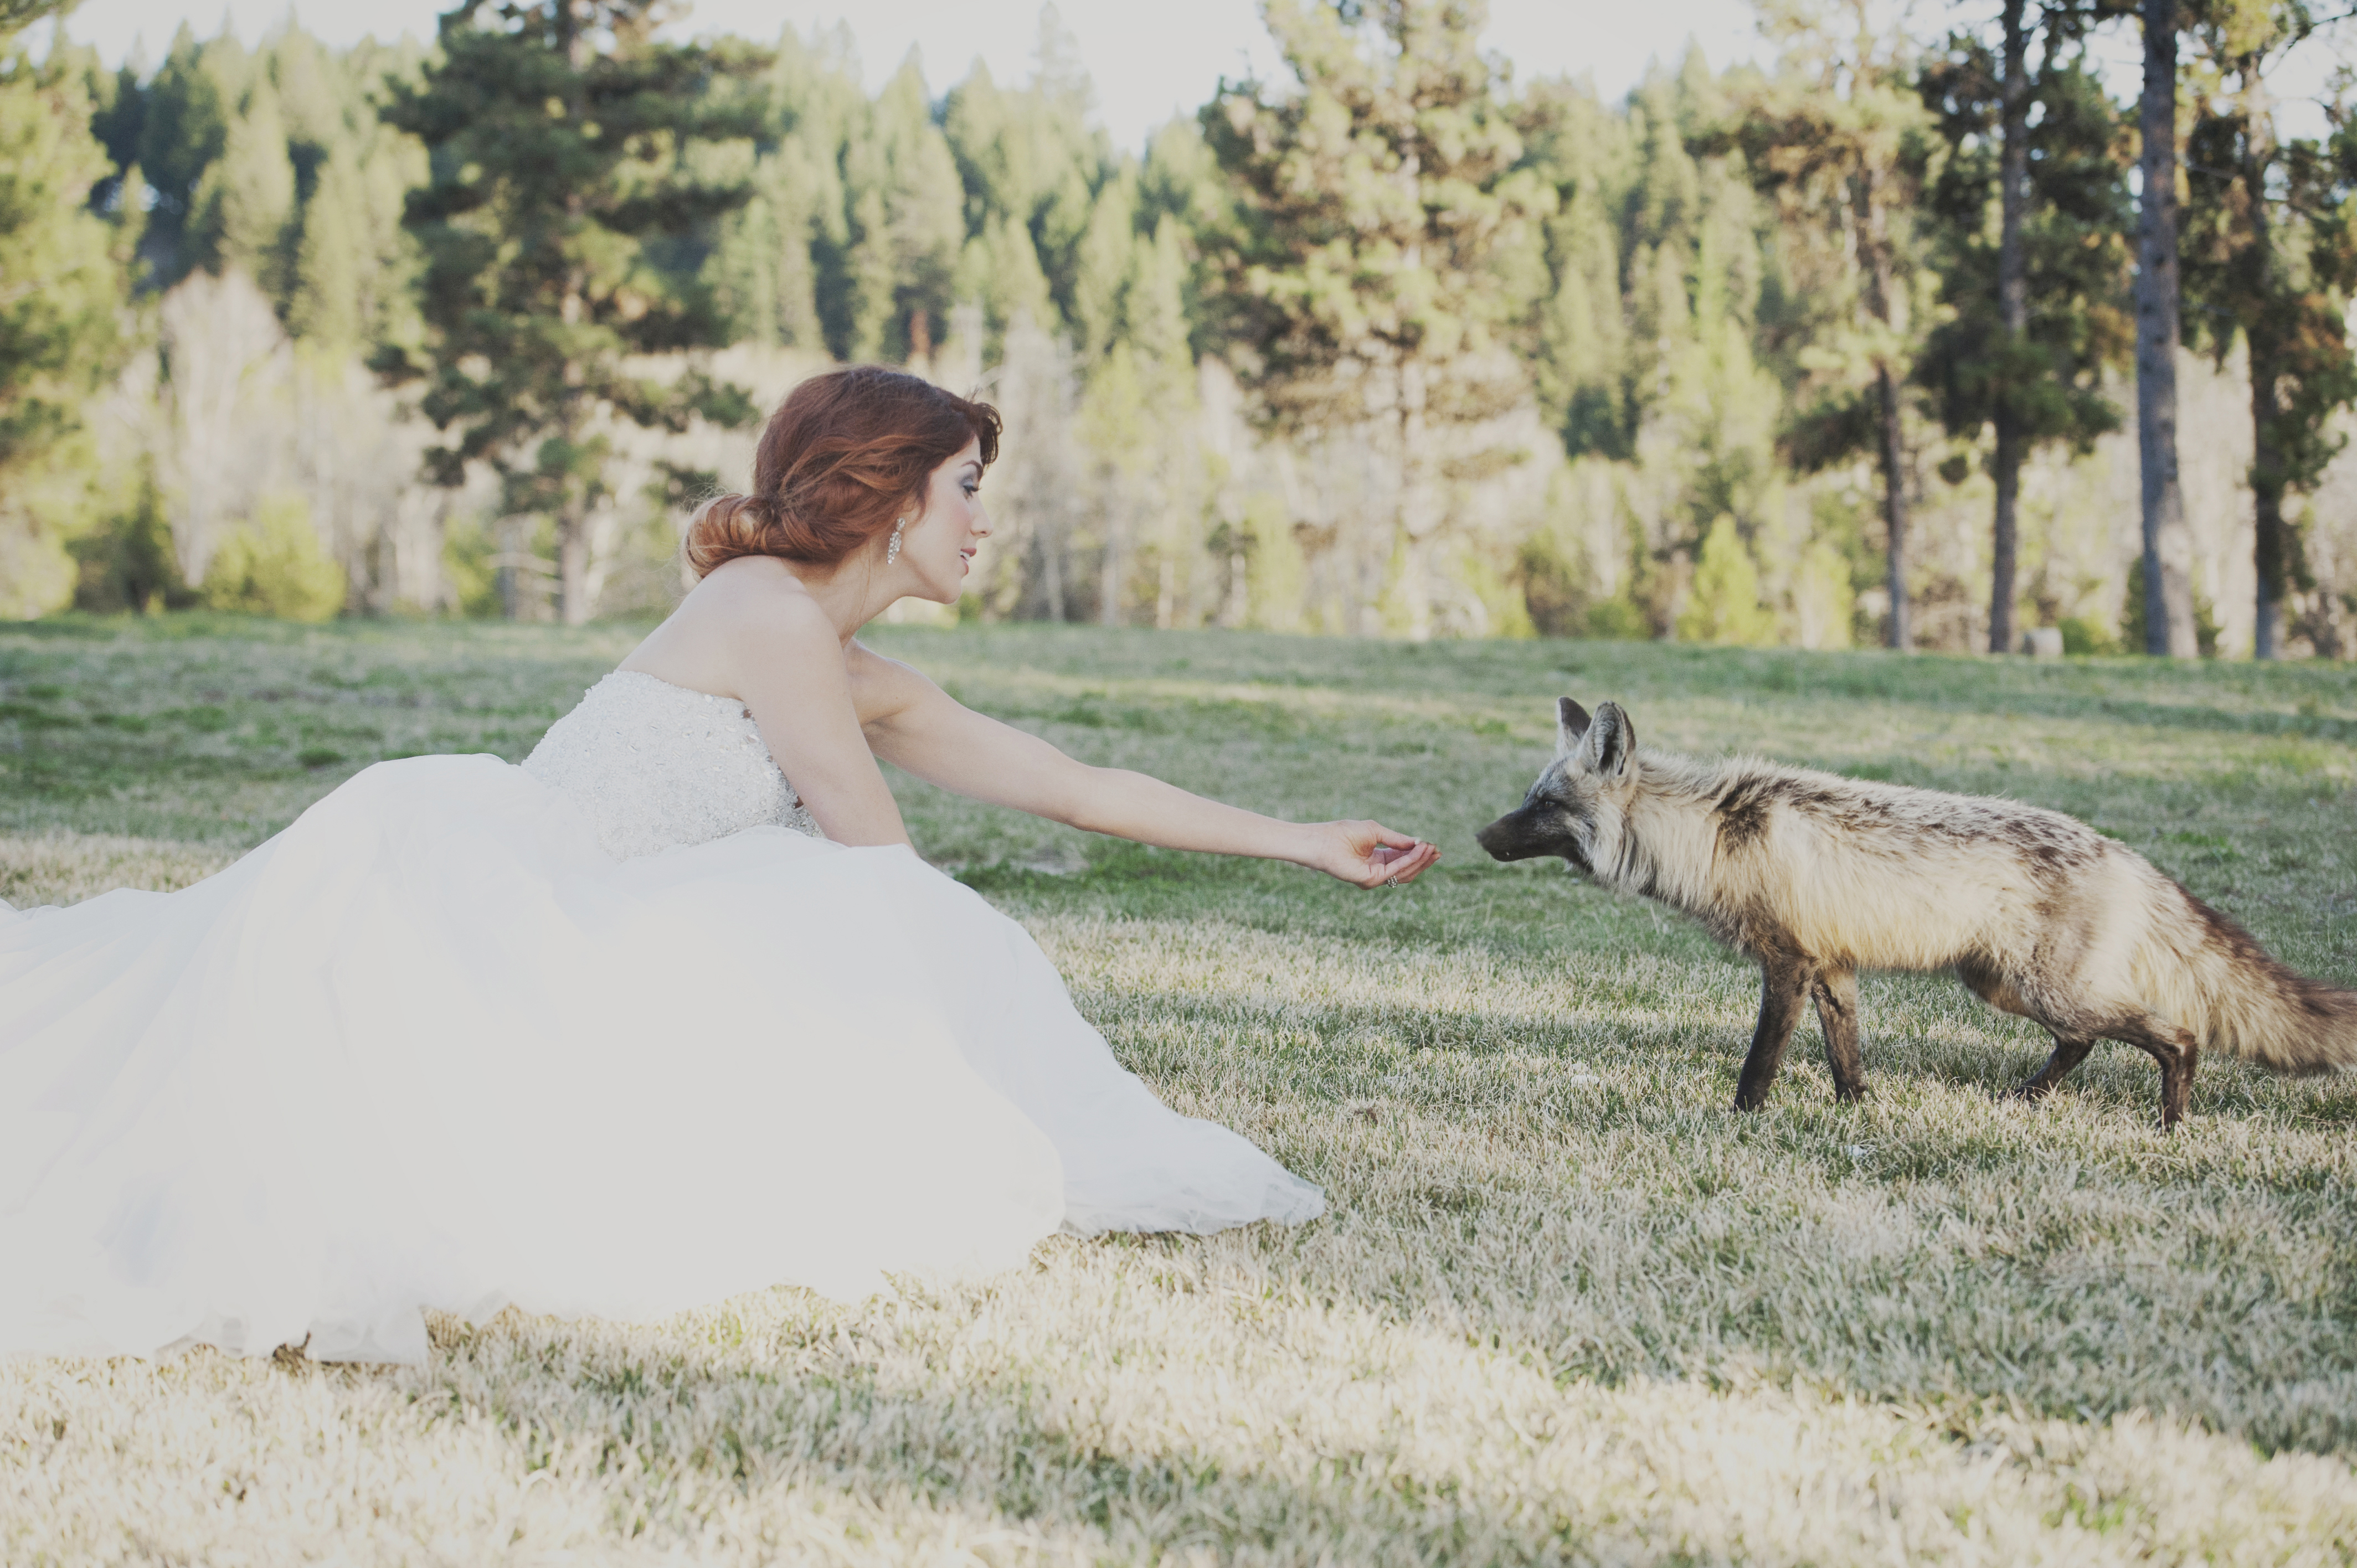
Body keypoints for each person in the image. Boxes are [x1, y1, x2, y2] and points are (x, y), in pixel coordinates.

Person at [0, 365, 1439, 1365]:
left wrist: (1304, 841)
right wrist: (949, 1025)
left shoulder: (853, 662)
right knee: (843, 901)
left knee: (831, 908)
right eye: (966, 487)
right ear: (891, 499)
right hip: (476, 910)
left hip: (593, 937)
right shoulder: (762, 611)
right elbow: (857, 828)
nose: (983, 521)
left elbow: (1075, 787)